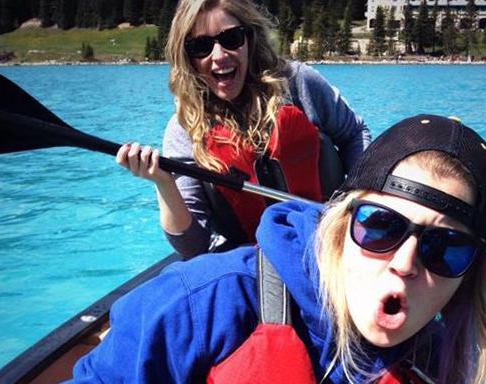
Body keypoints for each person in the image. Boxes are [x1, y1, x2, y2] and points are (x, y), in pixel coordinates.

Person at [54, 114, 486, 384]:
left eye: (445, 248)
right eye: (381, 225)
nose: (406, 263)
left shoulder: (451, 373)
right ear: (340, 223)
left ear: (469, 274)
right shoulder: (199, 303)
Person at [116, 0, 371, 259]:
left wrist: (358, 201)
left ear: (249, 38)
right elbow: (193, 247)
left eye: (231, 38)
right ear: (188, 58)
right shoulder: (184, 129)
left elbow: (354, 134)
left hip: (328, 242)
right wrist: (162, 183)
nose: (219, 56)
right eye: (200, 46)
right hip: (250, 261)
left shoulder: (298, 83)